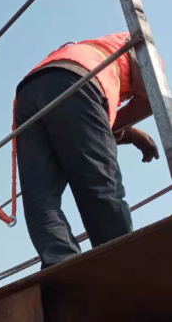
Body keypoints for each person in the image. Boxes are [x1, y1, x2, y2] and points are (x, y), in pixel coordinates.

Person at [14, 32, 160, 269]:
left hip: (29, 91)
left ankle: (62, 265)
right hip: (76, 80)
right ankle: (121, 262)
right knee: (99, 184)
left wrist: (128, 133)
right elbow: (151, 96)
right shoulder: (138, 41)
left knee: (41, 197)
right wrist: (130, 130)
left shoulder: (96, 48)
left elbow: (89, 124)